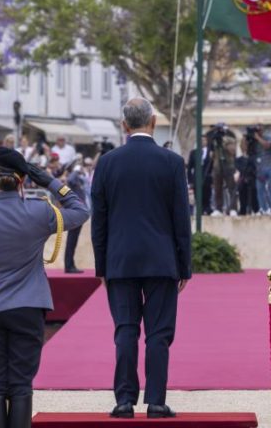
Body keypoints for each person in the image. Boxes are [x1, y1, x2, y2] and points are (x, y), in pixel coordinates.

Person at [0, 147, 89, 428]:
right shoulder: (40, 212)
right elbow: (81, 210)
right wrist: (49, 181)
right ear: (23, 180)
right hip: (28, 308)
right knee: (20, 384)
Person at [91, 98, 191, 419]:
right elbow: (181, 220)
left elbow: (100, 220)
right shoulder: (172, 162)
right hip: (162, 260)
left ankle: (124, 400)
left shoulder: (106, 163)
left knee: (125, 330)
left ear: (124, 125)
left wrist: (101, 265)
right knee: (159, 334)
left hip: (120, 260)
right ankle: (157, 402)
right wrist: (184, 265)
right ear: (153, 121)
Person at [62, 161, 90, 273]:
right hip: (75, 213)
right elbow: (71, 179)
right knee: (71, 240)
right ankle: (69, 266)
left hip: (78, 212)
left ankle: (70, 264)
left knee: (73, 240)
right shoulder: (72, 178)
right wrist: (76, 170)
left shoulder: (77, 179)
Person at [252, 125, 271, 215]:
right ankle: (262, 208)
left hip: (270, 166)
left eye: (258, 130)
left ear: (262, 130)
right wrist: (246, 138)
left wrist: (258, 138)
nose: (257, 131)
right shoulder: (253, 140)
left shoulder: (268, 137)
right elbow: (244, 149)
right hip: (259, 167)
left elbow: (267, 145)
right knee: (260, 189)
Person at [186, 136, 212, 216]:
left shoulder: (211, 152)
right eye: (200, 140)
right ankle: (200, 213)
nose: (202, 142)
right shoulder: (193, 152)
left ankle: (207, 211)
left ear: (207, 141)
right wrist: (190, 181)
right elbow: (189, 168)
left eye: (204, 140)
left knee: (207, 197)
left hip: (207, 179)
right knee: (198, 198)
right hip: (197, 179)